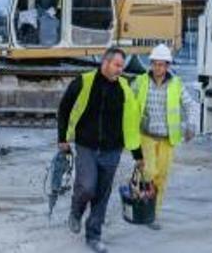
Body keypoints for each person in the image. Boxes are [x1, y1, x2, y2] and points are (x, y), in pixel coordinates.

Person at [57, 47, 144, 253]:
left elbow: (131, 124)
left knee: (102, 194)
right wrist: (62, 138)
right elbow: (64, 108)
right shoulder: (84, 82)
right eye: (117, 65)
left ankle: (94, 235)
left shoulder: (124, 89)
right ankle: (76, 211)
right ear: (105, 63)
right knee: (87, 187)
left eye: (122, 66)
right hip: (86, 146)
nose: (120, 70)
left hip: (112, 150)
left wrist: (137, 155)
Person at [132, 44, 196, 230]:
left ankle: (152, 215)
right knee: (149, 172)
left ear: (168, 66)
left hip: (167, 140)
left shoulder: (176, 84)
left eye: (162, 65)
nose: (158, 68)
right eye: (155, 64)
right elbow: (128, 104)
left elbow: (191, 105)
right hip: (147, 137)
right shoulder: (140, 81)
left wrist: (191, 124)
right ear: (151, 64)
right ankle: (141, 204)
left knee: (161, 177)